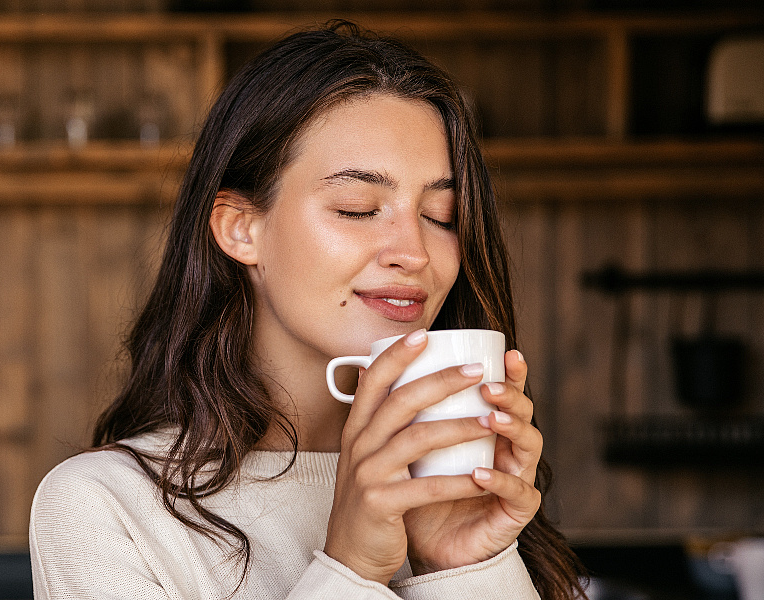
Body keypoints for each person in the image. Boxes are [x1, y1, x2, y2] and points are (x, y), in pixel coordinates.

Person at [30, 20, 587, 600]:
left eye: (441, 216)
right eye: (356, 208)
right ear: (241, 228)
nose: (414, 253)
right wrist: (348, 568)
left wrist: (465, 566)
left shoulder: (463, 494)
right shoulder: (106, 507)